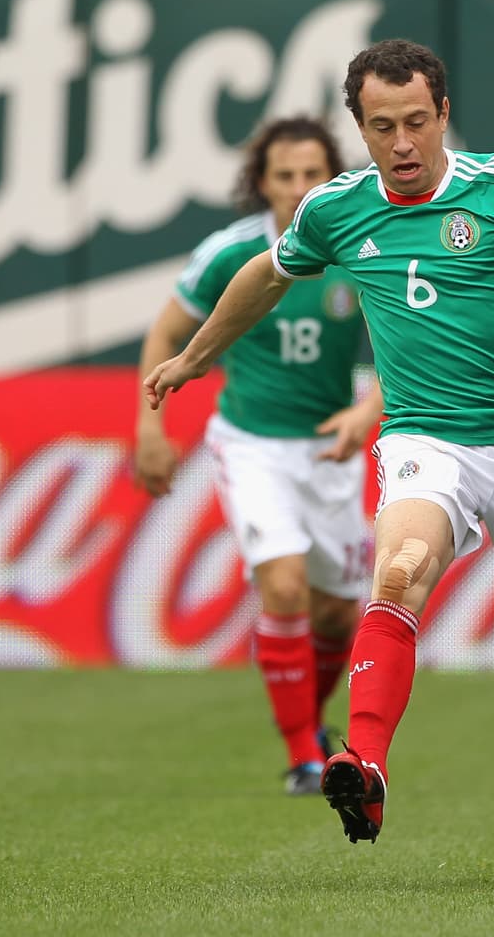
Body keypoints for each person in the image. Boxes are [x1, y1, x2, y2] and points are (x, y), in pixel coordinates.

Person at [143, 39, 494, 847]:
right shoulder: (337, 207)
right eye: (380, 127)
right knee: (398, 572)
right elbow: (266, 273)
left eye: (415, 122)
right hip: (422, 439)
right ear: (360, 129)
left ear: (443, 115)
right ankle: (363, 765)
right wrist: (194, 357)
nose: (402, 144)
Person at [135, 116, 383, 796]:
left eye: (312, 175)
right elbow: (167, 330)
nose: (299, 189)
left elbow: (413, 336)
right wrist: (150, 427)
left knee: (337, 613)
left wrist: (368, 410)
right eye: (284, 176)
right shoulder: (229, 253)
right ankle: (304, 754)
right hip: (252, 444)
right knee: (282, 588)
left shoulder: (361, 242)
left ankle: (308, 719)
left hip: (331, 449)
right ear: (261, 182)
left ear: (333, 178)